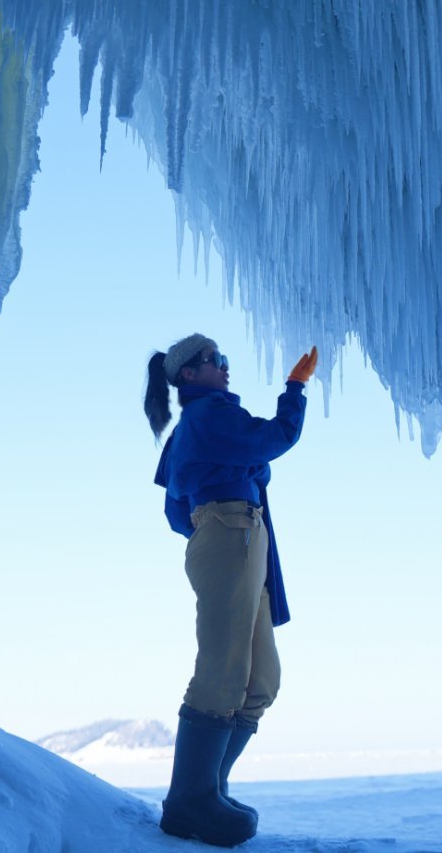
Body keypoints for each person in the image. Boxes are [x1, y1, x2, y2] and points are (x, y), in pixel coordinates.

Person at [144, 333, 318, 847]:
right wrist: (295, 388)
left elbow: (174, 507)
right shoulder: (209, 415)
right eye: (214, 360)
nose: (224, 367)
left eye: (223, 359)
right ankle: (189, 801)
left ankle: (210, 788)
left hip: (242, 536)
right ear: (189, 375)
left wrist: (210, 522)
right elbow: (274, 438)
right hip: (231, 533)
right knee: (223, 671)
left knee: (261, 679)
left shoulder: (199, 425)